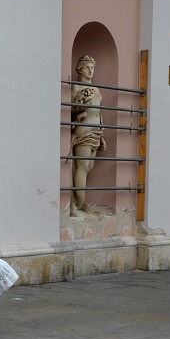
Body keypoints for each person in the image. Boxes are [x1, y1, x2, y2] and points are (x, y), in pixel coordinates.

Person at [69, 55, 107, 217]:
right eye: (87, 67)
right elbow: (73, 108)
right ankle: (81, 203)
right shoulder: (76, 87)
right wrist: (81, 101)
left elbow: (97, 113)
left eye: (92, 67)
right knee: (82, 167)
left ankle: (79, 200)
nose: (90, 70)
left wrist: (102, 135)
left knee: (88, 166)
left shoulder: (97, 90)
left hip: (96, 132)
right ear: (80, 70)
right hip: (84, 131)